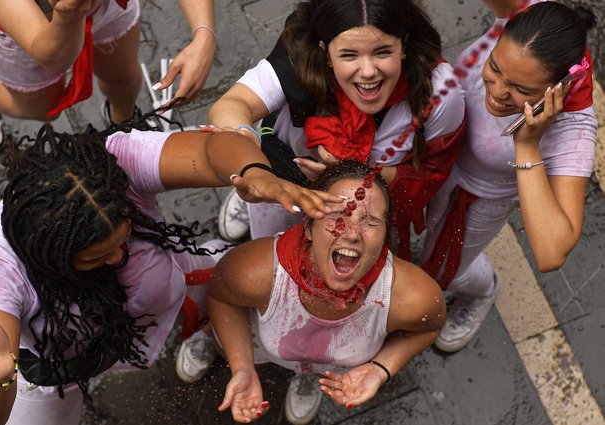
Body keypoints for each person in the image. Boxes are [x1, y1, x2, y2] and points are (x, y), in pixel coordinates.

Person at [0, 121, 340, 425]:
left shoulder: (113, 163)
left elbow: (210, 153)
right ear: (48, 257)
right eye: (96, 257)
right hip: (60, 371)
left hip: (170, 283)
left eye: (124, 240)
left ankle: (215, 334)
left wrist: (255, 172)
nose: (116, 258)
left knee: (251, 280)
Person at [184, 161, 445, 424]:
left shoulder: (409, 296)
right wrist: (241, 365)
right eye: (336, 215)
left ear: (385, 236)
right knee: (223, 344)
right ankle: (211, 339)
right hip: (255, 342)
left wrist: (381, 369)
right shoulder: (258, 272)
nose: (352, 233)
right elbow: (221, 296)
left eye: (370, 220)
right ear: (309, 227)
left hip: (330, 368)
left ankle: (310, 377)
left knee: (313, 370)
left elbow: (429, 327)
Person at [211, 0, 466, 260]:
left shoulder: (440, 91)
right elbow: (232, 105)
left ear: (404, 45)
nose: (368, 72)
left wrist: (356, 172)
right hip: (284, 182)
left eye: (382, 52)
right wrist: (251, 164)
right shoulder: (299, 53)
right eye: (349, 55)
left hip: (361, 211)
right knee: (271, 259)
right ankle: (248, 202)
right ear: (325, 51)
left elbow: (432, 175)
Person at [421, 0, 597, 352]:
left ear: (560, 88)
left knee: (445, 271)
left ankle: (484, 290)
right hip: (433, 162)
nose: (498, 91)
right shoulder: (524, 16)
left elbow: (551, 252)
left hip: (478, 199)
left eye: (522, 90)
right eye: (495, 68)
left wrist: (528, 147)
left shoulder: (573, 128)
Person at [0, 0, 216, 151]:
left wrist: (204, 33)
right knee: (44, 111)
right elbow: (52, 58)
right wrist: (69, 16)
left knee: (122, 76)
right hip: (26, 32)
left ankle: (125, 122)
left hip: (106, 9)